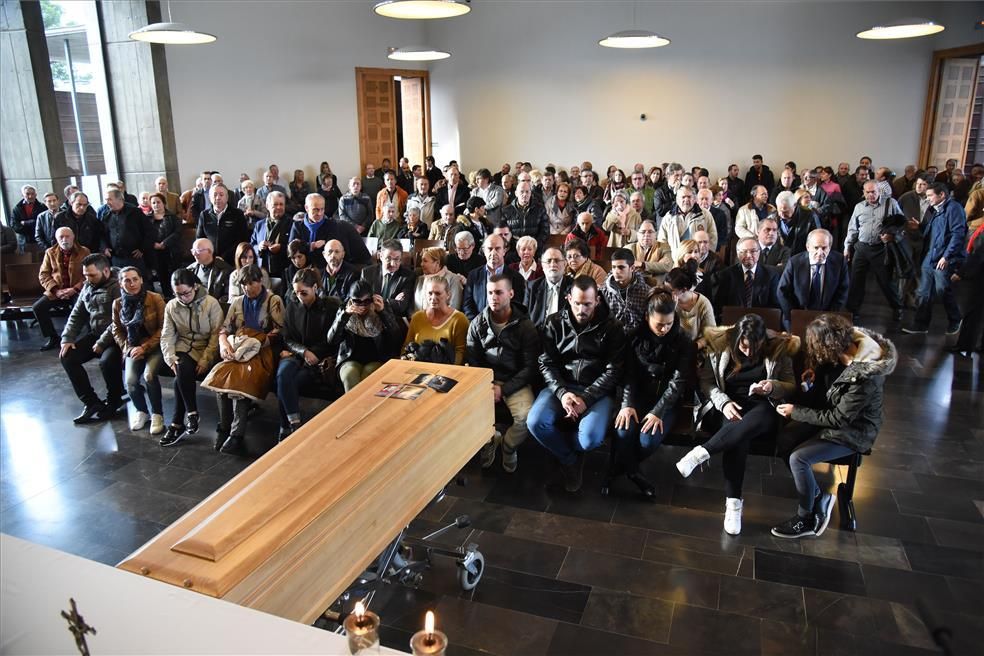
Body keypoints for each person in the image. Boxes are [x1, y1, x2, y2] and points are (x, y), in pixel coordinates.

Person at [772, 315, 896, 538]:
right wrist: (816, 374)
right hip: (832, 415)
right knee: (785, 440)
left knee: (798, 458)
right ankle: (819, 497)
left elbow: (838, 418)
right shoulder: (843, 350)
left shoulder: (866, 375)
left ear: (830, 345)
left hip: (853, 431)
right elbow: (832, 376)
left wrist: (795, 411)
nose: (815, 353)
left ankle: (806, 519)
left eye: (818, 348)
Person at [675, 314, 797, 534]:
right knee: (738, 436)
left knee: (750, 423)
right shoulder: (720, 344)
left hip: (763, 407)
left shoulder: (778, 348)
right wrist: (724, 403)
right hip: (728, 404)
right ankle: (733, 503)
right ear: (737, 338)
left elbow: (790, 385)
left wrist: (771, 387)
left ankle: (702, 453)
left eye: (755, 347)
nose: (749, 352)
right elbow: (707, 382)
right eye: (744, 346)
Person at [529, 276, 626, 492]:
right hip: (562, 386)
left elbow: (613, 371)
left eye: (588, 304)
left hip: (596, 391)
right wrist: (562, 393)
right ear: (568, 298)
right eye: (577, 303)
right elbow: (546, 363)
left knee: (590, 439)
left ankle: (562, 452)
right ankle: (570, 459)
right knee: (535, 422)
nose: (582, 309)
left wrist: (587, 398)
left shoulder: (612, 327)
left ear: (597, 300)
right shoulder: (554, 322)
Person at [608, 289, 696, 498]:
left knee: (647, 441)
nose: (664, 328)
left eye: (669, 323)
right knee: (623, 430)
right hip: (636, 397)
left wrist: (658, 411)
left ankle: (618, 468)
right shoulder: (633, 337)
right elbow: (628, 374)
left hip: (665, 400)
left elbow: (678, 383)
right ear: (647, 317)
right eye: (659, 324)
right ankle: (633, 473)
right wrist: (627, 403)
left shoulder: (684, 341)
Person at [201, 265, 284, 454]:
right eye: (244, 284)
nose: (247, 288)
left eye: (251, 283)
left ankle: (236, 434)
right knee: (220, 379)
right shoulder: (238, 302)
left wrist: (256, 343)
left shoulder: (273, 300)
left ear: (260, 281)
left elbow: (280, 330)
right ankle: (224, 426)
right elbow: (224, 328)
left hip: (261, 349)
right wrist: (224, 344)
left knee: (241, 383)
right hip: (238, 346)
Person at [467, 274, 540, 472]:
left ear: (511, 293)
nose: (493, 297)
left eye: (499, 292)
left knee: (526, 418)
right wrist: (487, 386)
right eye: (490, 292)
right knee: (465, 412)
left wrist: (504, 389)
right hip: (486, 381)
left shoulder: (525, 326)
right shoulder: (477, 323)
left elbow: (530, 368)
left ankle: (508, 446)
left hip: (515, 381)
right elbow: (473, 361)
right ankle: (490, 441)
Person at [158, 269, 224, 447]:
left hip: (206, 348)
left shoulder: (211, 303)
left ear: (195, 287)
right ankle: (192, 412)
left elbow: (216, 335)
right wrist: (169, 357)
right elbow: (167, 335)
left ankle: (177, 423)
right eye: (177, 294)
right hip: (184, 347)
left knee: (178, 380)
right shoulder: (172, 306)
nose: (182, 298)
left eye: (186, 293)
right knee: (180, 366)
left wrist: (205, 359)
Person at [99, 266, 166, 434]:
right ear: (121, 284)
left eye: (135, 279)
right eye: (127, 280)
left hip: (155, 345)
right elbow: (117, 330)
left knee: (149, 375)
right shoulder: (118, 303)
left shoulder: (155, 298)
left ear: (141, 280)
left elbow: (163, 328)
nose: (132, 283)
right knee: (130, 381)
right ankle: (142, 411)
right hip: (132, 346)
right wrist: (128, 348)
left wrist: (144, 347)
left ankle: (157, 414)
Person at [277, 268, 341, 440]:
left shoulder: (329, 307)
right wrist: (303, 351)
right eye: (296, 292)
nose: (299, 297)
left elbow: (330, 340)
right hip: (296, 353)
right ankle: (294, 424)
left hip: (316, 359)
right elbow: (287, 337)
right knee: (283, 376)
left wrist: (312, 353)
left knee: (292, 383)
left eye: (304, 293)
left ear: (315, 288)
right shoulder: (292, 306)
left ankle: (285, 428)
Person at [59, 254, 123, 424]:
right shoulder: (88, 286)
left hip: (116, 336)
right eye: (86, 275)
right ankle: (91, 402)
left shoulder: (118, 286)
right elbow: (77, 314)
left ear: (106, 271)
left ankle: (114, 399)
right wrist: (67, 338)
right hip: (95, 333)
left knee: (107, 361)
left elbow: (119, 321)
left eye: (92, 275)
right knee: (67, 357)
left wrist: (102, 343)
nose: (88, 279)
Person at [902, 183, 967, 335]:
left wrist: (947, 256)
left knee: (942, 290)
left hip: (943, 257)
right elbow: (932, 232)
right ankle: (921, 324)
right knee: (924, 292)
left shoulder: (954, 208)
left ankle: (955, 319)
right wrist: (919, 227)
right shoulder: (934, 209)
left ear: (942, 195)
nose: (928, 198)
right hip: (929, 255)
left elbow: (958, 234)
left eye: (930, 195)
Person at [326, 279, 404, 391]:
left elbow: (397, 338)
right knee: (350, 375)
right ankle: (354, 407)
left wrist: (382, 313)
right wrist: (344, 316)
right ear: (351, 300)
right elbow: (331, 340)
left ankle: (360, 407)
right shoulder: (344, 309)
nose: (362, 306)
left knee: (368, 375)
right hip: (349, 358)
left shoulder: (381, 307)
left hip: (377, 358)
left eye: (367, 301)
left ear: (372, 298)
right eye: (357, 302)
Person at [844, 180, 905, 323]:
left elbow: (902, 224)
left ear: (879, 191)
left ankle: (897, 308)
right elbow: (853, 229)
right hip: (862, 247)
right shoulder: (859, 207)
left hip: (881, 249)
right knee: (856, 281)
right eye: (868, 192)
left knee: (886, 281)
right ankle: (853, 311)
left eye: (874, 192)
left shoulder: (891, 204)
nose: (871, 195)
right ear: (863, 193)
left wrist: (893, 236)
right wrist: (847, 247)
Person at [778, 229, 850, 329]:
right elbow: (782, 291)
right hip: (797, 314)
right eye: (816, 248)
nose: (820, 252)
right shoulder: (795, 262)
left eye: (824, 248)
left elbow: (843, 291)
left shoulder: (839, 262)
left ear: (829, 248)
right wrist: (795, 314)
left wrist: (829, 317)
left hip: (827, 316)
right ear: (808, 247)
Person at [36, 227, 91, 351]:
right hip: (57, 290)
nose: (64, 239)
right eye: (61, 237)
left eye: (67, 236)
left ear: (73, 237)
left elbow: (89, 275)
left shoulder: (84, 251)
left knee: (86, 304)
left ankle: (90, 336)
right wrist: (56, 290)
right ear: (56, 239)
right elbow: (43, 274)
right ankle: (53, 338)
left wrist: (75, 289)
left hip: (78, 290)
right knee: (38, 307)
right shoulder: (50, 252)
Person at [289, 193, 372, 269]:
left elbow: (326, 256)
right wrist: (311, 246)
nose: (320, 213)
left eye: (322, 209)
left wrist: (303, 247)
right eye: (316, 210)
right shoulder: (297, 226)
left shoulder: (332, 226)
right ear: (306, 208)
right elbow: (292, 251)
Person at [403, 275, 470, 364]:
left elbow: (461, 353)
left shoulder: (459, 319)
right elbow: (406, 347)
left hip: (446, 372)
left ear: (448, 295)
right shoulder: (417, 317)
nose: (433, 297)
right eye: (430, 293)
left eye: (438, 293)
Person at [709, 237, 780, 317]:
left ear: (759, 253)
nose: (749, 255)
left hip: (762, 322)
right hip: (734, 322)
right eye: (744, 251)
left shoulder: (771, 275)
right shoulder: (725, 276)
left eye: (753, 251)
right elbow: (719, 307)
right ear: (738, 254)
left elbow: (775, 307)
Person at [463, 234, 526, 320]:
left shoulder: (516, 278)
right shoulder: (473, 276)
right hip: (478, 327)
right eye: (489, 249)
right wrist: (477, 324)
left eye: (497, 248)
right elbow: (467, 306)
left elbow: (518, 308)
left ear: (504, 251)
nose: (493, 253)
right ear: (484, 251)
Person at [101, 189, 154, 276]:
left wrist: (142, 248)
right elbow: (102, 234)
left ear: (119, 199)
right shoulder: (106, 215)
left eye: (109, 199)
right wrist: (105, 247)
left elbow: (150, 231)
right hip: (116, 258)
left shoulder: (135, 212)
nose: (107, 203)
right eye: (106, 200)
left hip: (134, 257)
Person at [950, 223, 984, 353]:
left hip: (980, 277)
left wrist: (961, 272)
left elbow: (979, 255)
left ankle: (965, 344)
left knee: (973, 313)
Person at [361, 239, 415, 318]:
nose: (393, 264)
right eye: (388, 259)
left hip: (393, 319)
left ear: (401, 258)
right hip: (370, 317)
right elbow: (363, 301)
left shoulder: (408, 276)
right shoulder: (367, 273)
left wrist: (375, 300)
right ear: (381, 256)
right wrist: (391, 301)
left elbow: (401, 307)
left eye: (396, 259)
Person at [601, 248, 651, 333]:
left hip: (638, 336)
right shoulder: (604, 291)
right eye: (613, 267)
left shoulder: (646, 291)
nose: (616, 271)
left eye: (621, 267)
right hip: (611, 335)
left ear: (632, 268)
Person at [657, 187, 719, 254]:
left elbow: (713, 238)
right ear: (677, 200)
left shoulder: (705, 215)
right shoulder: (668, 217)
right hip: (675, 260)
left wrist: (706, 258)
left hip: (699, 259)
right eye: (683, 197)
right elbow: (662, 241)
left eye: (689, 197)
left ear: (694, 199)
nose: (686, 199)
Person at [665, 265, 716, 341]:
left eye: (670, 290)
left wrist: (695, 347)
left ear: (684, 290)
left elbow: (711, 334)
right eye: (665, 288)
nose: (666, 292)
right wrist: (672, 308)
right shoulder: (666, 299)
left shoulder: (703, 304)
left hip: (695, 346)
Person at [527, 247, 573, 327]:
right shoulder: (531, 287)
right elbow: (524, 318)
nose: (553, 264)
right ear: (542, 265)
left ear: (565, 263)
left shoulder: (574, 287)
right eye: (548, 261)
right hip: (537, 335)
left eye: (557, 260)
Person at [147, 192, 181, 300]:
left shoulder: (172, 217)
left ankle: (176, 295)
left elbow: (177, 233)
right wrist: (153, 244)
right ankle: (166, 297)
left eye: (158, 202)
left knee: (173, 274)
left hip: (170, 251)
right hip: (154, 252)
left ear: (164, 203)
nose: (156, 205)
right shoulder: (146, 218)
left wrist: (164, 243)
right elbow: (144, 233)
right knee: (161, 275)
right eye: (153, 203)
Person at [251, 191, 291, 281]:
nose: (279, 207)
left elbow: (295, 247)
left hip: (283, 271)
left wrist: (281, 247)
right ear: (267, 205)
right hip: (262, 272)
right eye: (275, 204)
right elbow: (252, 245)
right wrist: (259, 247)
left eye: (281, 204)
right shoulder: (259, 225)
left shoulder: (292, 224)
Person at [414, 246, 463, 311]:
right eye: (421, 261)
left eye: (425, 261)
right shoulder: (420, 279)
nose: (421, 264)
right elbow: (415, 307)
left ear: (437, 263)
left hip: (445, 319)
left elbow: (454, 306)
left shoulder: (453, 279)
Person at [186, 238, 233, 303]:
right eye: (193, 251)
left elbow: (228, 295)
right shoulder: (190, 269)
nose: (194, 254)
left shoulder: (225, 270)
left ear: (209, 251)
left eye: (198, 250)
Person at [628, 220, 673, 286]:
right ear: (637, 234)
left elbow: (667, 266)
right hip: (634, 286)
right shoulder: (629, 248)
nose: (646, 235)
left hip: (657, 288)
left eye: (650, 232)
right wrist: (656, 268)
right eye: (643, 232)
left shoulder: (664, 247)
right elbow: (627, 269)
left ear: (656, 234)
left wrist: (642, 265)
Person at [9, 184, 45, 253]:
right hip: (24, 241)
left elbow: (43, 223)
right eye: (27, 194)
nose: (30, 196)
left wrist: (25, 223)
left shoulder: (42, 207)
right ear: (22, 195)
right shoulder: (17, 208)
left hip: (40, 239)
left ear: (36, 195)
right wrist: (27, 229)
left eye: (32, 194)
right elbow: (14, 225)